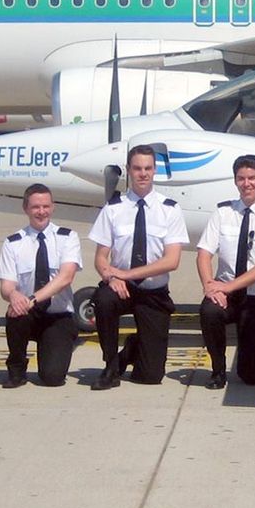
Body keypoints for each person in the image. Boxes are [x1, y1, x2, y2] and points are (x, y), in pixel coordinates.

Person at [88, 145, 189, 389]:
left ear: (154, 171)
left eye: (147, 168)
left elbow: (171, 261)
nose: (142, 173)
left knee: (151, 376)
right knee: (103, 300)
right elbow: (101, 257)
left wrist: (126, 273)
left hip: (154, 292)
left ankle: (133, 348)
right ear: (128, 171)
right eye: (137, 168)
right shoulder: (113, 208)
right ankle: (111, 366)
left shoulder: (170, 209)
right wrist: (111, 278)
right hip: (121, 287)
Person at [197, 154, 255, 388]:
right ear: (235, 181)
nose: (246, 183)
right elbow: (204, 254)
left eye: (252, 178)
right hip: (226, 294)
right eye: (241, 178)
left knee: (252, 378)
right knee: (209, 312)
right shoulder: (222, 213)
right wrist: (210, 287)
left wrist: (226, 286)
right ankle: (218, 370)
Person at [0, 183, 84, 387]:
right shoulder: (14, 243)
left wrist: (31, 299)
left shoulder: (67, 237)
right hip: (28, 314)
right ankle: (16, 369)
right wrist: (13, 296)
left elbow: (65, 277)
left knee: (53, 378)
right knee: (15, 311)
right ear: (25, 208)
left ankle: (50, 354)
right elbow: (6, 285)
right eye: (36, 207)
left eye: (46, 206)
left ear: (52, 207)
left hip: (57, 316)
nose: (41, 211)